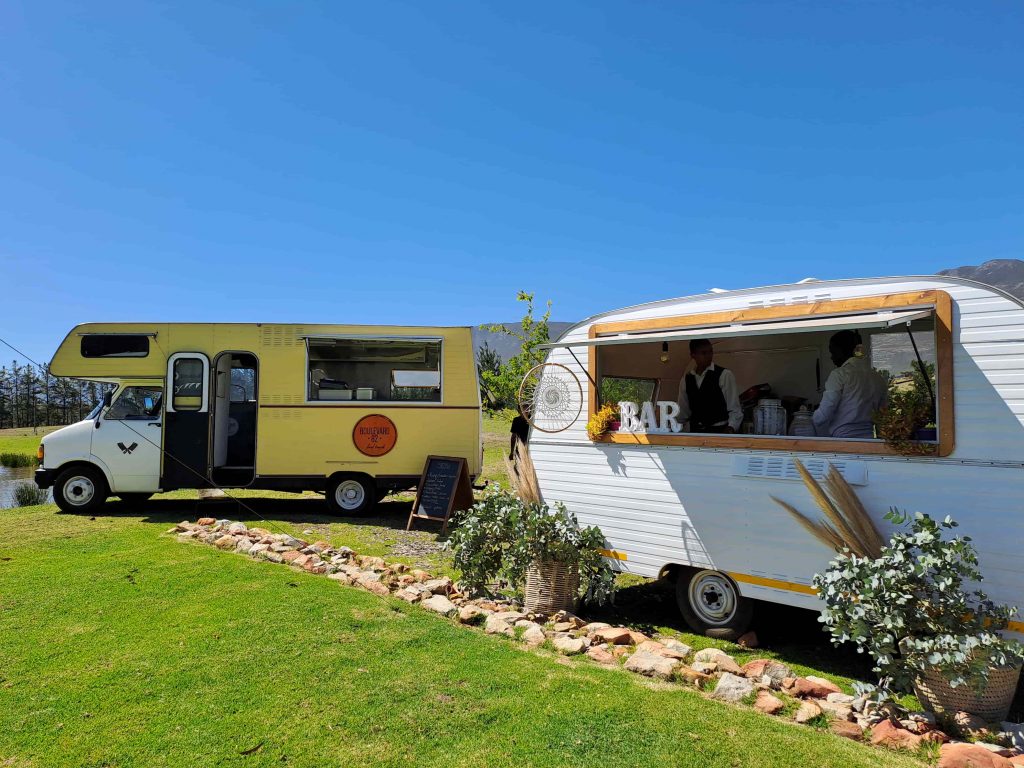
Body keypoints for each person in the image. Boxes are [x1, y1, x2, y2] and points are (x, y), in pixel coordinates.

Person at [812, 330, 887, 439]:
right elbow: (883, 417)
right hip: (869, 440)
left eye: (833, 352)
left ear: (841, 350)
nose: (832, 357)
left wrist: (807, 421)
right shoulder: (877, 377)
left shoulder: (839, 374)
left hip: (843, 439)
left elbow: (825, 413)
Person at [677, 339, 743, 433]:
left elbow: (734, 409)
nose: (709, 356)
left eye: (710, 352)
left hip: (719, 431)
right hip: (695, 431)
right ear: (693, 355)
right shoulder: (686, 379)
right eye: (704, 353)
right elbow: (683, 411)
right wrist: (676, 428)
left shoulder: (724, 375)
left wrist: (731, 427)